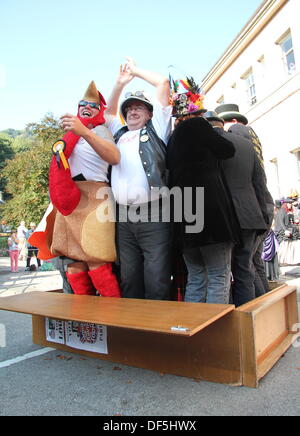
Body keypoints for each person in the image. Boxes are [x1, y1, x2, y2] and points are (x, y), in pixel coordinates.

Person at [29, 81, 121, 297]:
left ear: (100, 111)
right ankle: (83, 320)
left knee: (97, 260)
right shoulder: (70, 134)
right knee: (73, 264)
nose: (86, 108)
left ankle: (113, 316)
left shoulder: (102, 130)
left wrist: (84, 131)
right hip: (69, 198)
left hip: (95, 196)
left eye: (92, 106)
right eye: (82, 105)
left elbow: (114, 157)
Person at [105, 57, 173, 300]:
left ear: (150, 114)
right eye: (129, 108)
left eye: (139, 107)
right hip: (123, 216)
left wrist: (134, 71)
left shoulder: (157, 129)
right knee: (129, 276)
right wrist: (119, 83)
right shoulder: (119, 133)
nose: (132, 111)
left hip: (154, 212)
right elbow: (109, 112)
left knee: (157, 276)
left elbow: (163, 83)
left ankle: (159, 330)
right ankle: (134, 331)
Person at [167, 84, 241, 304]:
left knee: (197, 277)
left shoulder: (172, 138)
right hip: (210, 216)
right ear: (196, 112)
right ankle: (214, 330)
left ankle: (194, 328)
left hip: (184, 215)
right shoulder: (199, 126)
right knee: (219, 274)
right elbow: (228, 150)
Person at [204, 111, 271, 306]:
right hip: (249, 215)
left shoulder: (205, 144)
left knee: (219, 273)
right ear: (221, 124)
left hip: (221, 217)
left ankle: (230, 323)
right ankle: (248, 319)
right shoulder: (246, 144)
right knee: (244, 270)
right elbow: (259, 183)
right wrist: (263, 217)